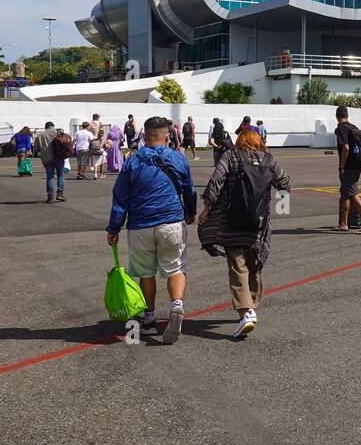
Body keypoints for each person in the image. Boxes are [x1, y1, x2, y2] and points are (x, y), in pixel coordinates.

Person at [107, 116, 196, 344]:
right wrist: (191, 211)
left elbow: (120, 198)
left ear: (144, 136)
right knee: (175, 267)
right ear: (168, 135)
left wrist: (114, 227)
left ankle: (148, 317)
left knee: (146, 272)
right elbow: (189, 190)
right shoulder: (178, 158)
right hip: (171, 221)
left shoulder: (132, 162)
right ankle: (177, 305)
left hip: (140, 225)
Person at [197, 129, 291, 340]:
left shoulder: (231, 156)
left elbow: (216, 183)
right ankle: (252, 303)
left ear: (240, 141)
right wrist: (281, 207)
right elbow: (284, 182)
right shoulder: (268, 159)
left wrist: (205, 212)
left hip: (232, 222)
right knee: (254, 262)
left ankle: (245, 311)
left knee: (237, 265)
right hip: (258, 223)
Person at [335, 105, 361, 233]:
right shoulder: (353, 127)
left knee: (353, 195)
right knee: (345, 194)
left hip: (349, 167)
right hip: (357, 165)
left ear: (337, 116)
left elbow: (345, 148)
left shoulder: (341, 128)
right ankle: (343, 224)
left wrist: (341, 166)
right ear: (347, 115)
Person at [35, 121, 67, 203]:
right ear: (53, 126)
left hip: (47, 158)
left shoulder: (40, 135)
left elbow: (36, 149)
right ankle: (60, 193)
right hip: (59, 157)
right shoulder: (58, 132)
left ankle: (50, 196)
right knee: (60, 175)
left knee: (50, 177)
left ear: (45, 127)